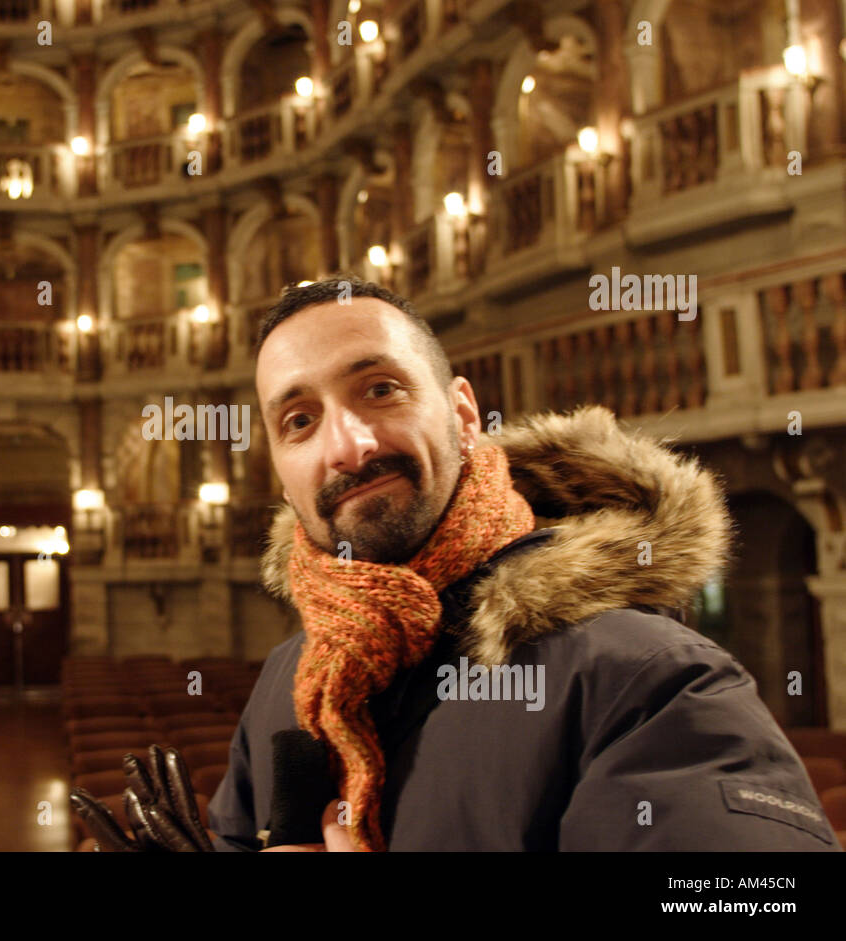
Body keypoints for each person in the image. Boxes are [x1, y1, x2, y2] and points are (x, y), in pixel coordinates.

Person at [198, 275, 841, 852]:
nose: (349, 445)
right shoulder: (292, 675)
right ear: (282, 476)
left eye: (381, 389)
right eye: (300, 420)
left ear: (463, 414)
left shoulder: (648, 675)